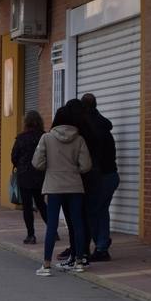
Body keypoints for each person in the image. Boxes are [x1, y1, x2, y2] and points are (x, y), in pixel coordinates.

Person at [32, 102, 92, 276]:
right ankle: (79, 261)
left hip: (53, 186)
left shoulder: (47, 138)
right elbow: (86, 165)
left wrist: (50, 169)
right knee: (77, 223)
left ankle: (46, 265)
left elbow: (37, 163)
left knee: (52, 225)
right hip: (74, 185)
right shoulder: (79, 139)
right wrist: (73, 171)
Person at [81, 93, 118, 262]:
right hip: (111, 175)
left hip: (98, 177)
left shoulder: (87, 129)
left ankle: (100, 247)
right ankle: (101, 246)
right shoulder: (103, 125)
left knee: (92, 212)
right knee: (101, 211)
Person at [10, 110, 48, 245]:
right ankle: (52, 231)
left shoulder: (21, 138)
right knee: (41, 203)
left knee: (27, 206)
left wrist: (20, 165)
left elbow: (14, 157)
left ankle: (31, 235)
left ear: (25, 122)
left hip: (24, 175)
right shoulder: (44, 137)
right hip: (40, 175)